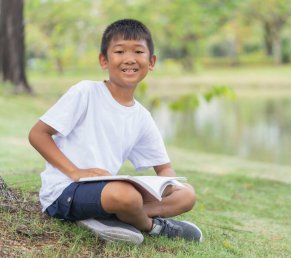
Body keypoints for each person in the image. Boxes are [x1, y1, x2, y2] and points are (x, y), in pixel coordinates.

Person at [28, 19, 203, 244]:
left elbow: (164, 167)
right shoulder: (86, 92)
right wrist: (76, 172)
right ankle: (151, 226)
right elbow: (37, 134)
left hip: (107, 190)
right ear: (104, 60)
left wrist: (166, 187)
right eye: (119, 51)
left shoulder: (141, 116)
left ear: (151, 62)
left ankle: (113, 216)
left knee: (186, 194)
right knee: (125, 195)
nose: (129, 59)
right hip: (65, 191)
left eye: (138, 51)